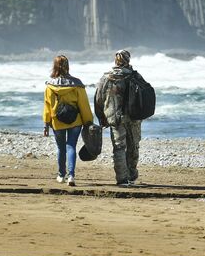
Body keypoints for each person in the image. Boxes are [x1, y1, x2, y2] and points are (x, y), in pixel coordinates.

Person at [94, 49, 143, 186]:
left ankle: (122, 179)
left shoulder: (106, 77)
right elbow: (145, 95)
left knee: (119, 147)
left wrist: (101, 117)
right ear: (128, 60)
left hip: (114, 118)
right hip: (134, 118)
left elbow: (99, 98)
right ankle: (132, 175)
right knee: (133, 146)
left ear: (116, 60)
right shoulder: (135, 76)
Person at [43, 55, 93, 187]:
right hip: (75, 121)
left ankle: (61, 175)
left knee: (61, 148)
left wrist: (46, 124)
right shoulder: (77, 84)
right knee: (71, 146)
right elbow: (84, 105)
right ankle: (71, 175)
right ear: (68, 66)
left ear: (54, 66)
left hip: (57, 121)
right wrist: (88, 121)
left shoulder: (50, 85)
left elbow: (47, 106)